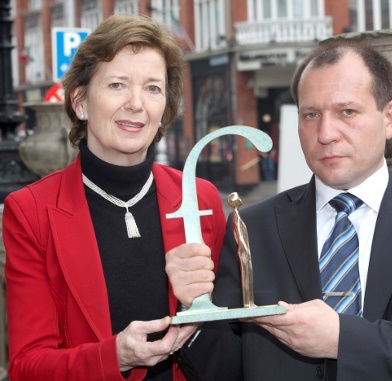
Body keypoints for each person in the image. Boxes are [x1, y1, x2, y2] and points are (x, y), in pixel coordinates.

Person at [167, 40, 392, 380]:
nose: (325, 134)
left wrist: (342, 338)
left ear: (390, 118)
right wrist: (195, 308)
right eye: (311, 115)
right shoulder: (252, 229)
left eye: (347, 112)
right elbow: (224, 370)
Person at [2, 14, 225, 381]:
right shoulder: (32, 211)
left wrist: (197, 309)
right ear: (80, 102)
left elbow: (230, 343)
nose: (137, 103)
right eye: (118, 85)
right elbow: (27, 366)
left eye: (152, 88)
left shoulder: (200, 199)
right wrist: (115, 357)